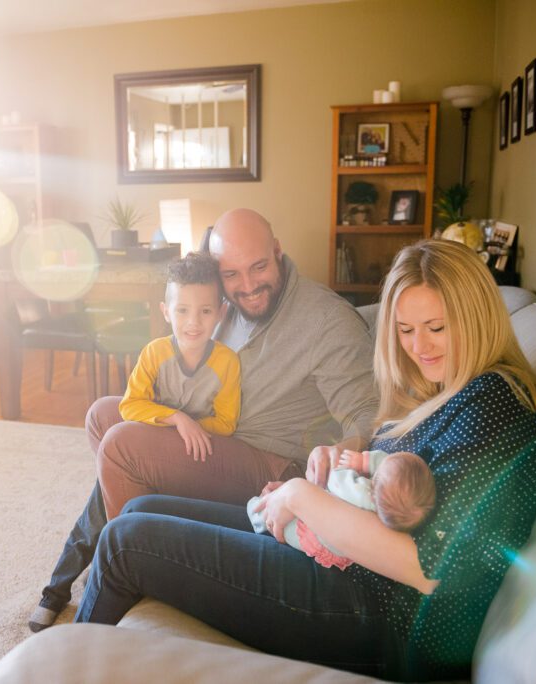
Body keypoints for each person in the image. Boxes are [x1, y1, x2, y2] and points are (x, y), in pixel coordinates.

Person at [74, 239, 536, 681]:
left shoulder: (494, 404)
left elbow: (430, 570)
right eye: (406, 330)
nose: (418, 347)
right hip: (333, 555)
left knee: (124, 541)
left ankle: (61, 667)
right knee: (142, 511)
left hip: (374, 612)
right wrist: (341, 462)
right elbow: (396, 486)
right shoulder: (452, 389)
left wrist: (301, 496)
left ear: (476, 317)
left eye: (436, 328)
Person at [29, 208, 377, 631]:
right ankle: (111, 552)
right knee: (104, 414)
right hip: (217, 440)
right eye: (231, 274)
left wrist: (340, 452)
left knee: (122, 446)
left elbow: (368, 414)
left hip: (273, 466)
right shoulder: (227, 306)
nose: (247, 286)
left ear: (279, 252)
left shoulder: (326, 321)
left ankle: (127, 573)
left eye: (260, 267)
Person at [117, 251, 240, 466]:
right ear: (166, 312)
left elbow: (226, 423)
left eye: (206, 311)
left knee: (118, 440)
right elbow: (130, 405)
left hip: (199, 446)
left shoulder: (228, 362)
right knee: (102, 421)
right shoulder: (154, 353)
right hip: (160, 431)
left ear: (221, 312)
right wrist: (177, 419)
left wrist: (191, 427)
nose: (193, 322)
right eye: (182, 310)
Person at [246, 449, 435, 570]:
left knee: (265, 514)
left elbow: (336, 480)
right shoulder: (395, 505)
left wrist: (357, 463)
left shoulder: (362, 493)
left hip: (310, 530)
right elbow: (394, 469)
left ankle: (256, 515)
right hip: (332, 536)